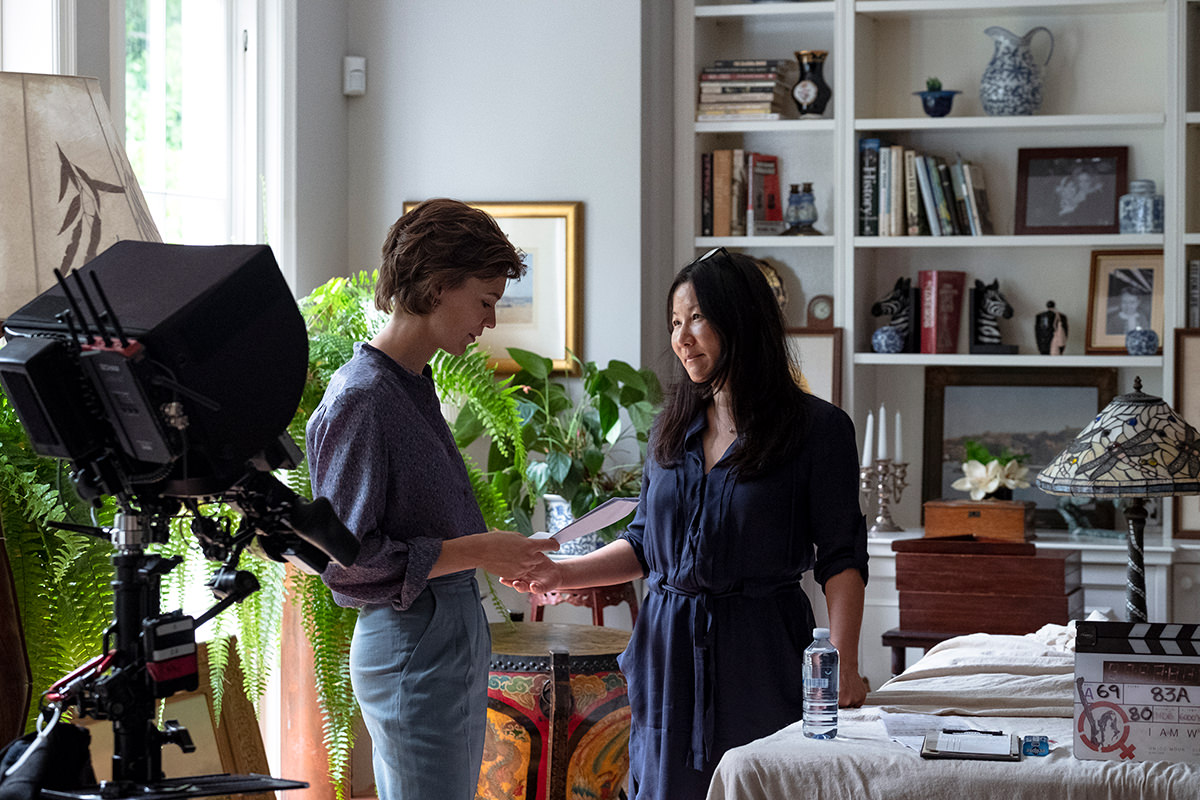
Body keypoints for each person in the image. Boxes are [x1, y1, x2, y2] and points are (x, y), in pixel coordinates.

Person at [503, 247, 869, 800]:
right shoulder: (671, 430)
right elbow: (646, 544)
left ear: (740, 318)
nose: (682, 337)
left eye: (696, 318)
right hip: (667, 654)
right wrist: (562, 574)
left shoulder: (818, 429)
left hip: (761, 652)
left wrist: (840, 663)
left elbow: (842, 558)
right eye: (675, 323)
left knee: (760, 786)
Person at [306, 198, 559, 800]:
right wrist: (480, 549)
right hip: (412, 638)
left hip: (441, 630)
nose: (490, 322)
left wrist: (503, 553)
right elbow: (347, 561)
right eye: (486, 301)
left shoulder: (410, 385)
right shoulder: (363, 397)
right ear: (439, 285)